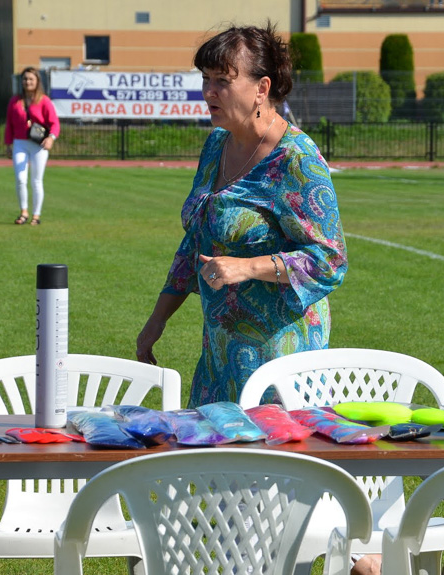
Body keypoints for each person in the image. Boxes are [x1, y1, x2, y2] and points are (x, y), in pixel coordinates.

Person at [135, 23, 347, 408]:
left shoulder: (295, 158)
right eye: (205, 79)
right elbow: (196, 240)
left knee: (274, 465)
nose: (209, 92)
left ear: (261, 89)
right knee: (211, 461)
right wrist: (158, 318)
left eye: (222, 81)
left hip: (280, 360)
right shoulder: (216, 143)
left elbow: (330, 261)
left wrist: (247, 267)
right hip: (219, 353)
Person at [4, 66, 60, 226]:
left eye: (31, 79)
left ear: (37, 82)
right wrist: (8, 144)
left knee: (36, 180)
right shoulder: (15, 101)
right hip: (20, 142)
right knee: (21, 178)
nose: (27, 82)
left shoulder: (44, 101)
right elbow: (9, 124)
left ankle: (36, 215)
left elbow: (55, 123)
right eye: (25, 79)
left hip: (38, 144)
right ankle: (23, 212)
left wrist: (51, 138)